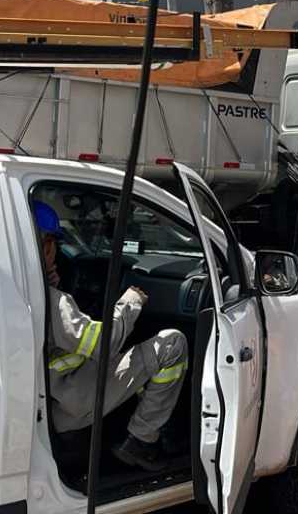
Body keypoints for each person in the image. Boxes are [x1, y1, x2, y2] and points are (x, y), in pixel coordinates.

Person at [33, 200, 188, 472]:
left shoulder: (18, 293)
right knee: (172, 344)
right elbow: (104, 344)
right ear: (46, 247)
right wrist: (131, 301)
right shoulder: (52, 303)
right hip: (73, 403)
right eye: (53, 246)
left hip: (53, 400)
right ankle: (142, 440)